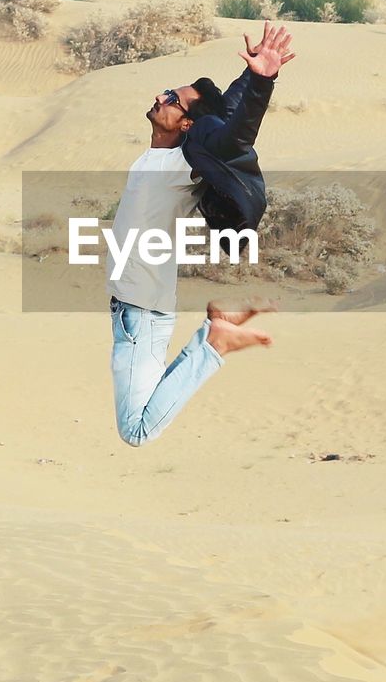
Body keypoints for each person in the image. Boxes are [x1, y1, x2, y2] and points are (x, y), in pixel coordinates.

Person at [106, 23, 295, 446]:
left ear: (188, 123)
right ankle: (217, 335)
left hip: (142, 312)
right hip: (133, 308)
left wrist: (263, 83)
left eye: (172, 100)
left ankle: (216, 344)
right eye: (165, 92)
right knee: (138, 417)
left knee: (136, 432)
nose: (160, 97)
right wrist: (249, 75)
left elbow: (233, 134)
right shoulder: (158, 154)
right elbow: (222, 109)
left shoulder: (185, 163)